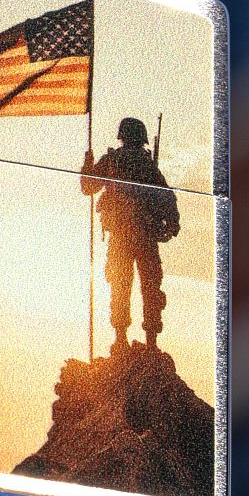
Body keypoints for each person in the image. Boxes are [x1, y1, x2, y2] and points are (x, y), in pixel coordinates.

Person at [80, 117, 179, 352]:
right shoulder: (147, 166)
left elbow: (88, 187)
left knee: (121, 286)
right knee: (150, 288)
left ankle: (121, 338)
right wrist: (171, 225)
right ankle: (151, 342)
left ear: (122, 137)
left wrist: (87, 163)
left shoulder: (112, 160)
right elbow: (168, 197)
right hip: (144, 237)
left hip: (123, 236)